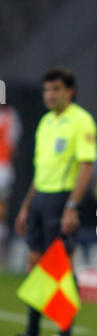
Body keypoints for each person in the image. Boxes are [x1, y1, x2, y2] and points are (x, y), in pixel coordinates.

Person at [9, 67, 97, 336]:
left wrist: (72, 206)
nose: (49, 95)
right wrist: (25, 207)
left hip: (62, 199)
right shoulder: (45, 122)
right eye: (46, 90)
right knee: (34, 263)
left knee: (61, 264)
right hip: (39, 200)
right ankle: (33, 332)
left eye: (55, 89)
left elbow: (86, 167)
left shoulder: (81, 121)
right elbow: (40, 170)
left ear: (69, 91)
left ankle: (65, 333)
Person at [0, 104, 22, 264]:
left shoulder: (10, 115)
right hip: (4, 167)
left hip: (3, 167)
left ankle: (2, 249)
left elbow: (13, 145)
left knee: (2, 208)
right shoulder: (10, 115)